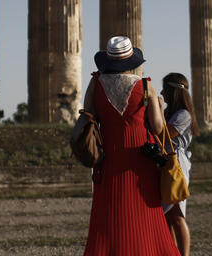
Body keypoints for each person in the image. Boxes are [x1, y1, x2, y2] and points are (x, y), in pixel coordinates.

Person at [75, 36, 180, 256]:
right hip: (141, 158)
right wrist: (160, 108)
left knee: (108, 212)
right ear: (132, 60)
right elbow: (159, 127)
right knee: (145, 213)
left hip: (109, 157)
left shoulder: (95, 83)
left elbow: (88, 119)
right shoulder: (145, 86)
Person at [159, 72, 199, 256]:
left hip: (176, 165)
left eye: (165, 88)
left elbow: (165, 133)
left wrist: (156, 110)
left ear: (173, 91)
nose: (162, 92)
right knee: (166, 215)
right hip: (165, 163)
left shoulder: (184, 115)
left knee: (176, 215)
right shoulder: (169, 113)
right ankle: (171, 252)